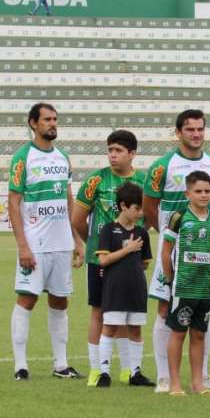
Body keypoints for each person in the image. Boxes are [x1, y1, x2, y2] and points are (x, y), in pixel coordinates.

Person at [144, 109, 210, 393]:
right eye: (190, 129)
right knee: (166, 307)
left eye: (200, 129)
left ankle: (202, 376)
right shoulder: (162, 166)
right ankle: (165, 377)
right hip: (175, 249)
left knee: (204, 308)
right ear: (178, 132)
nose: (196, 134)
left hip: (205, 250)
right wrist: (170, 238)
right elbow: (149, 206)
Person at [9, 102, 84, 380]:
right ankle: (20, 366)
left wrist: (76, 238)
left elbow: (68, 200)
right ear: (33, 124)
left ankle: (61, 365)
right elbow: (13, 204)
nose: (52, 124)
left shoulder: (62, 157)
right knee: (27, 300)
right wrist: (23, 246)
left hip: (61, 244)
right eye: (47, 119)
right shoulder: (23, 158)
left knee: (60, 302)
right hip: (35, 245)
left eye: (55, 119)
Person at [71, 130, 152, 387]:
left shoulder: (143, 181)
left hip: (129, 262)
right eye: (109, 150)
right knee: (99, 311)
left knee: (128, 314)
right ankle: (97, 369)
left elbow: (149, 217)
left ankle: (129, 370)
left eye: (118, 151)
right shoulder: (96, 180)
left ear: (132, 154)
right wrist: (95, 243)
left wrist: (135, 239)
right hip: (101, 261)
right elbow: (77, 219)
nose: (112, 155)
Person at [161, 171, 210, 396]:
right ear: (188, 193)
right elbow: (166, 253)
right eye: (198, 191)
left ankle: (198, 383)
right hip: (183, 286)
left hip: (204, 289)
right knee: (178, 332)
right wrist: (170, 280)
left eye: (207, 191)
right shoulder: (179, 218)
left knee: (199, 334)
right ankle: (174, 383)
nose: (204, 195)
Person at [94, 183, 152, 388]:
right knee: (110, 328)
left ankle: (135, 372)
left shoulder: (142, 233)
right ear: (123, 206)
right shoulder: (109, 230)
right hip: (115, 288)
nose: (140, 213)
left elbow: (145, 262)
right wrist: (127, 250)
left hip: (136, 288)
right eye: (137, 208)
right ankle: (104, 372)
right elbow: (103, 260)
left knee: (135, 329)